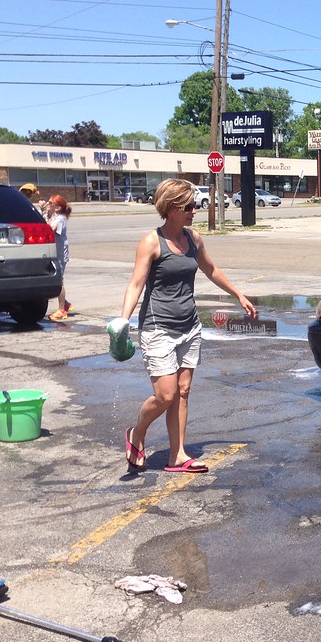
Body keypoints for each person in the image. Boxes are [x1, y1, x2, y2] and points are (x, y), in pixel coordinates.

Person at [118, 178, 256, 474]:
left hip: (190, 326)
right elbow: (136, 284)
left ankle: (178, 455)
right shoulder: (152, 242)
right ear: (170, 208)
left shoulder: (194, 238)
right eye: (189, 206)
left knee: (182, 391)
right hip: (158, 327)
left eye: (194, 204)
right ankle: (137, 433)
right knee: (165, 394)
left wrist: (238, 294)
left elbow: (210, 269)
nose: (195, 210)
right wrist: (123, 320)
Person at [46, 195, 74, 321]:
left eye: (50, 203)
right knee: (56, 281)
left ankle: (62, 310)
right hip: (54, 253)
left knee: (59, 282)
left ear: (57, 207)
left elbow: (51, 230)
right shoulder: (54, 217)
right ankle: (66, 304)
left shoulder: (61, 219)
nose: (48, 204)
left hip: (60, 255)